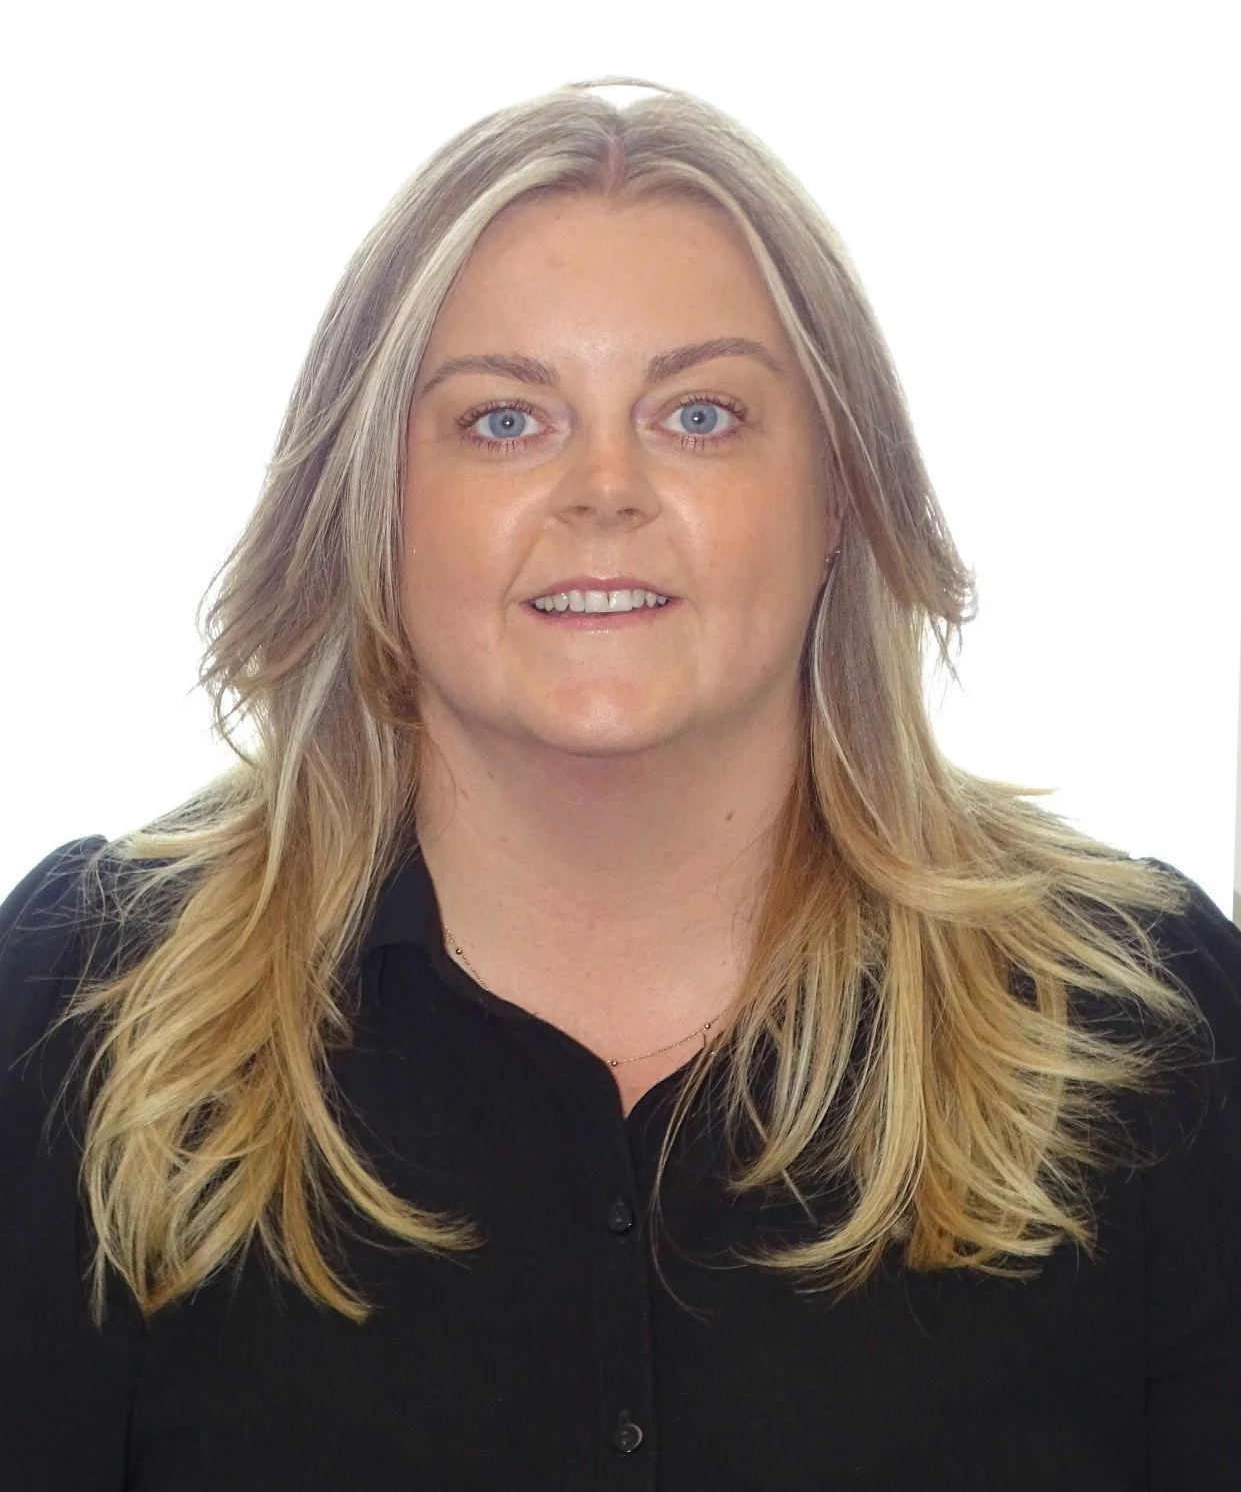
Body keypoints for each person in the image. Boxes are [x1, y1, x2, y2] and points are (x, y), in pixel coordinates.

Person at [1, 75, 1238, 1492]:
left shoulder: (1151, 1031)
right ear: (371, 499)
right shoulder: (82, 1014)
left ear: (842, 493)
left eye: (701, 415)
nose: (605, 487)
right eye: (504, 421)